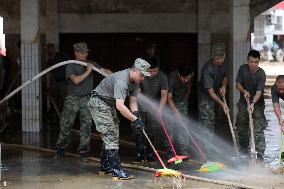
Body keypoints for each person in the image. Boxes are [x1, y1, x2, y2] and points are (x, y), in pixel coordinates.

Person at [88, 58, 151, 180]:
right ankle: (116, 171)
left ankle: (105, 167)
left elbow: (132, 102)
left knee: (113, 134)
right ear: (134, 70)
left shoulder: (135, 82)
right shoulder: (122, 80)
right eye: (142, 75)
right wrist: (134, 119)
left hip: (108, 104)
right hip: (99, 102)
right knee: (110, 134)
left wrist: (137, 116)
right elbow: (120, 106)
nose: (143, 78)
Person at [54, 42, 111, 161]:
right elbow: (76, 80)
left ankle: (83, 152)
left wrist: (114, 76)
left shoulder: (91, 63)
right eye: (82, 52)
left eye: (86, 52)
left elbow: (104, 70)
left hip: (87, 98)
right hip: (72, 98)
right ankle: (60, 150)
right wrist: (89, 70)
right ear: (76, 53)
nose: (85, 54)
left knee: (86, 126)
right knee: (66, 125)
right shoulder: (70, 65)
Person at [134, 56, 170, 164]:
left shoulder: (162, 76)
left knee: (152, 131)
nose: (153, 73)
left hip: (155, 107)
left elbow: (164, 95)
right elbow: (138, 94)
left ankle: (150, 155)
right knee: (139, 129)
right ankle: (139, 155)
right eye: (151, 71)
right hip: (140, 105)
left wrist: (159, 108)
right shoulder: (141, 75)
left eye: (155, 70)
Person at [235, 50, 267, 162]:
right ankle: (244, 150)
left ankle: (260, 154)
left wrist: (253, 103)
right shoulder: (242, 69)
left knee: (258, 128)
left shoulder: (261, 74)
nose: (253, 65)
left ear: (259, 62)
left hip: (258, 105)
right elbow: (238, 84)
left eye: (256, 62)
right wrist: (244, 91)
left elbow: (259, 92)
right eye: (251, 62)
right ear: (247, 61)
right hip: (243, 104)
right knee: (242, 126)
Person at [198, 43, 229, 139]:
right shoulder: (207, 69)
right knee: (208, 120)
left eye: (221, 58)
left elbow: (225, 76)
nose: (219, 61)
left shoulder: (224, 63)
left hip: (216, 93)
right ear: (212, 57)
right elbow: (210, 92)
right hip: (206, 96)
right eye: (216, 59)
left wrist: (224, 86)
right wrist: (223, 104)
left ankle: (214, 140)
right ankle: (206, 145)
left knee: (217, 117)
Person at [167, 64, 193, 156]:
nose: (186, 81)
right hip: (170, 103)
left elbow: (189, 86)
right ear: (179, 75)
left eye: (188, 79)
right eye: (184, 79)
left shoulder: (189, 76)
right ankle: (170, 150)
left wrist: (186, 97)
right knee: (171, 126)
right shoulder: (171, 79)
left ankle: (184, 150)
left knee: (183, 125)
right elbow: (168, 98)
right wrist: (176, 111)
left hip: (182, 101)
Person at [45, 43, 70, 115]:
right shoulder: (49, 62)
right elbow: (50, 75)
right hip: (55, 82)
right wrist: (49, 86)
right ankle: (57, 115)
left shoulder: (62, 56)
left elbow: (71, 65)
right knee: (55, 99)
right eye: (46, 49)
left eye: (49, 49)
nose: (48, 51)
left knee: (65, 99)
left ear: (53, 49)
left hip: (65, 81)